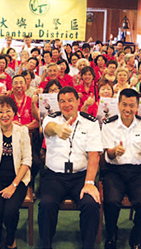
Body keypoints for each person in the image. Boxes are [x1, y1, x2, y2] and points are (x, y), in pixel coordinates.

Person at [39, 86, 102, 249]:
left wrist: (89, 182)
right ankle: (46, 245)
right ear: (58, 104)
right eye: (62, 101)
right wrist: (58, 129)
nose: (66, 104)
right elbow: (48, 128)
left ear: (78, 102)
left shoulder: (91, 122)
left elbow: (94, 155)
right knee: (46, 204)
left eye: (70, 100)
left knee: (91, 204)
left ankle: (87, 245)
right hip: (54, 177)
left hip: (81, 176)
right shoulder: (50, 119)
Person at [101, 89, 141, 249]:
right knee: (111, 201)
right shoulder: (108, 125)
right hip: (113, 171)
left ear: (137, 107)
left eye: (132, 105)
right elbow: (106, 155)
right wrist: (112, 152)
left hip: (137, 173)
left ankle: (135, 238)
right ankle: (111, 234)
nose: (128, 109)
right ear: (118, 105)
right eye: (124, 104)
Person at [0, 96, 32, 249]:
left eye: (8, 111)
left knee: (10, 211)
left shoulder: (22, 131)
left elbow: (27, 160)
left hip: (17, 178)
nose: (5, 115)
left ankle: (10, 240)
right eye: (0, 112)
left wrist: (14, 185)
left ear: (14, 112)